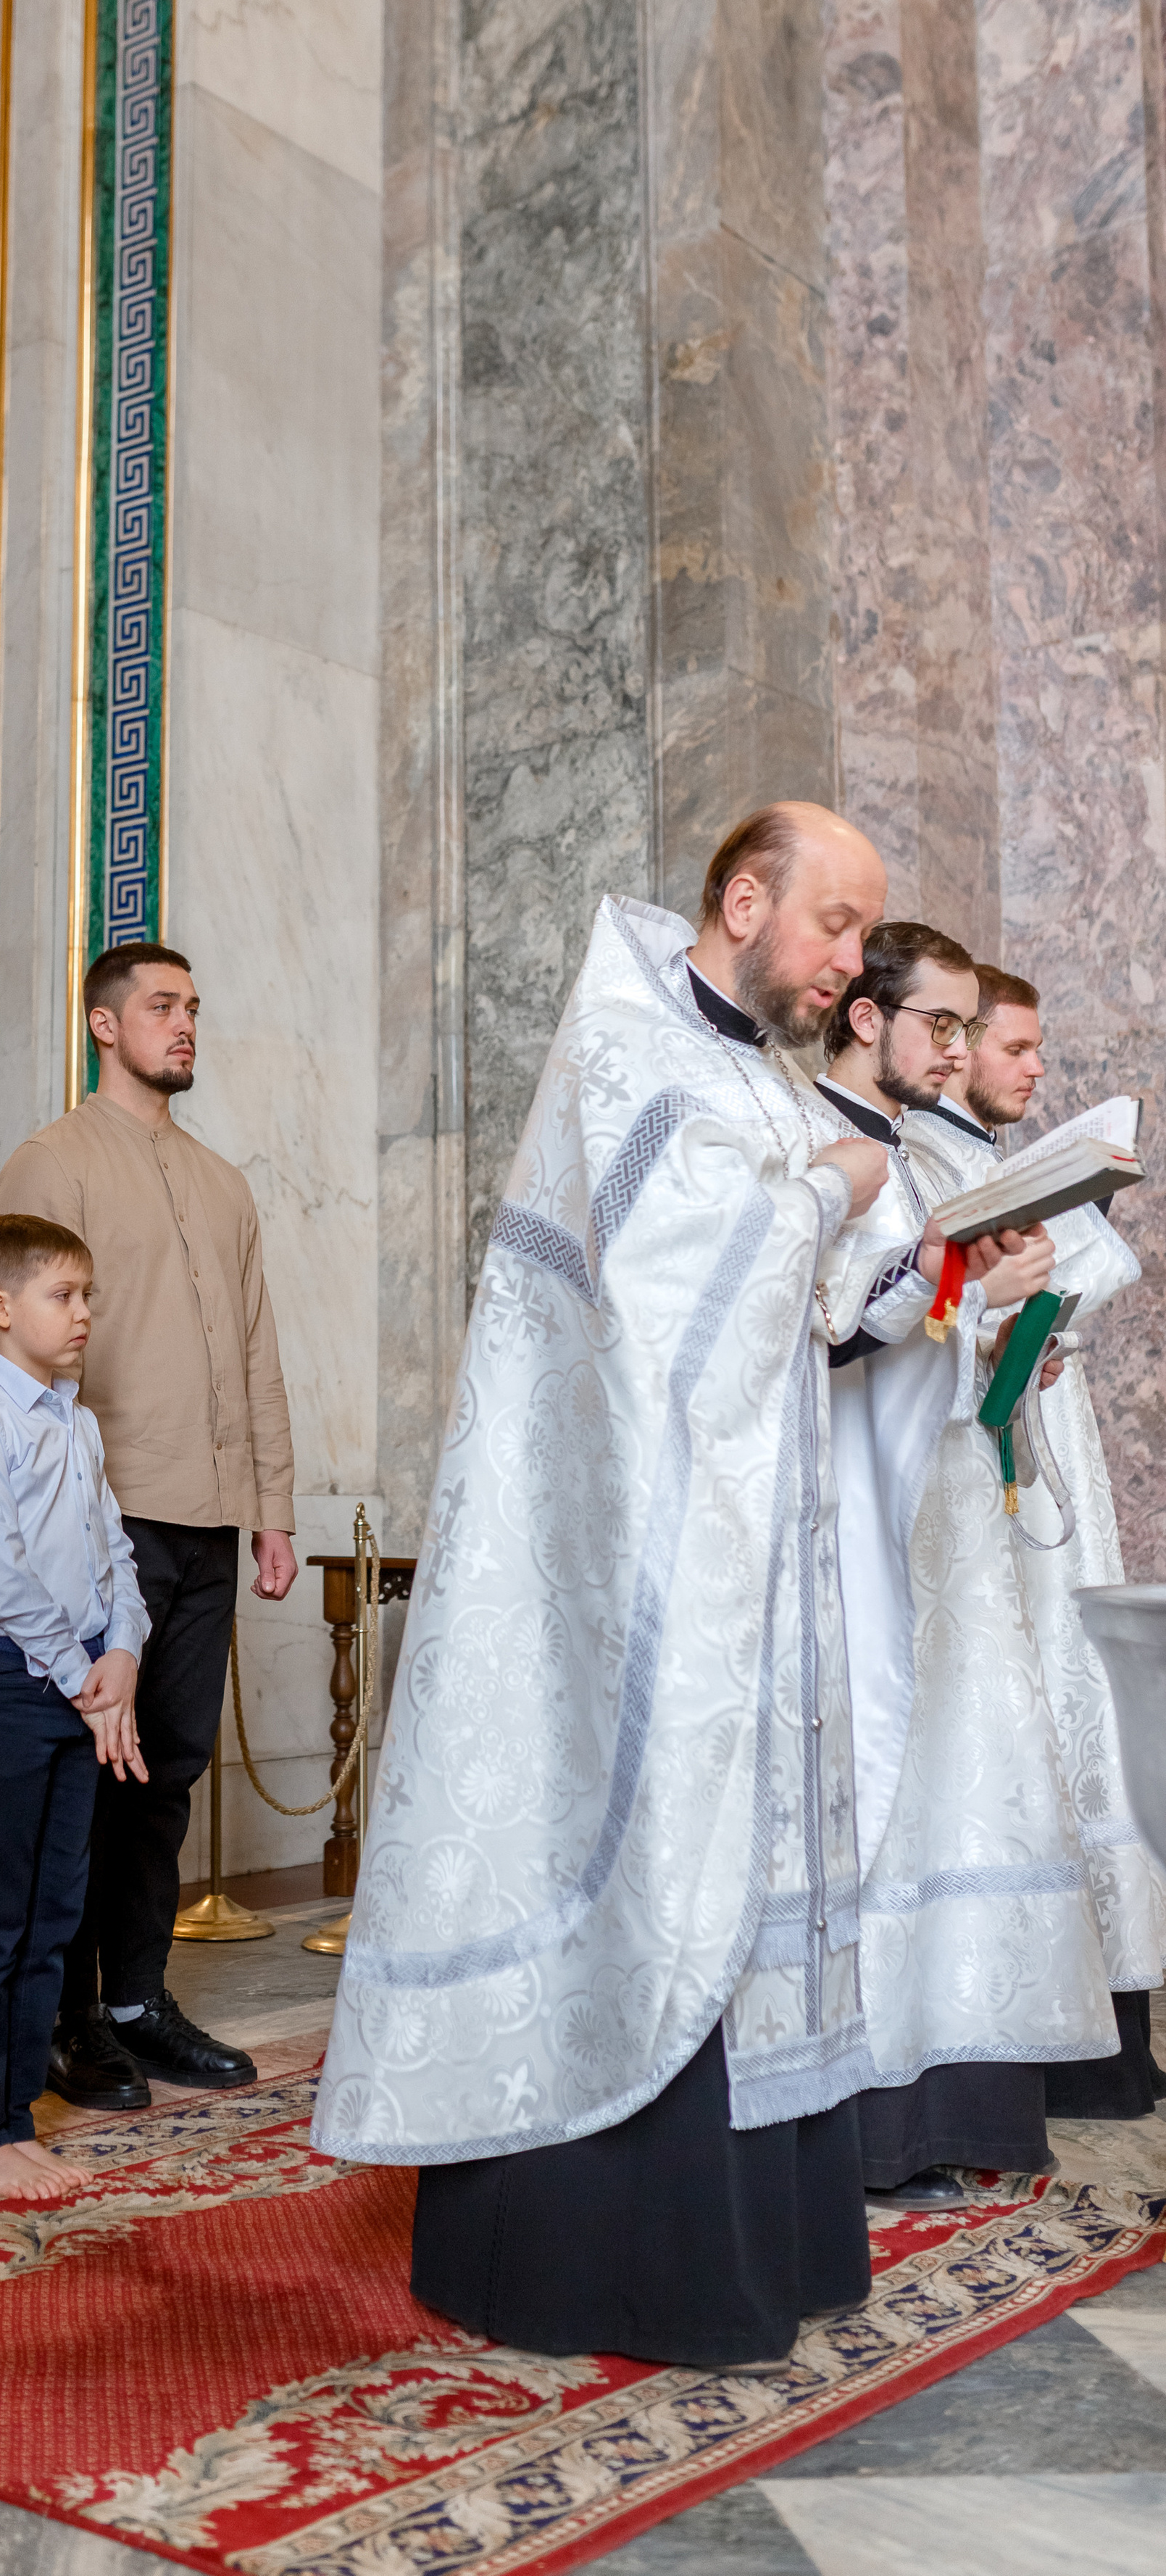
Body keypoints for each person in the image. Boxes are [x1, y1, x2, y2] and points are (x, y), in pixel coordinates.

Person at [314, 805, 1031, 2370]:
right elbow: (657, 1291)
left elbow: (799, 1321)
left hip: (752, 1569)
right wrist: (825, 1194)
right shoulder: (625, 1051)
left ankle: (765, 2240)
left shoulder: (753, 1073)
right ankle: (602, 2265)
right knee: (649, 1868)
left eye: (863, 936)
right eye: (835, 927)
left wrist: (916, 1264)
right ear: (743, 899)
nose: (851, 965)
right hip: (632, 1573)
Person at [817, 928, 1112, 2203]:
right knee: (880, 1791)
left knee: (957, 1777)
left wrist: (1007, 1329)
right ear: (865, 1016)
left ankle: (953, 2100)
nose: (957, 1047)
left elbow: (926, 1331)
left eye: (962, 1028)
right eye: (942, 1024)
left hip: (943, 1510)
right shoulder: (814, 1137)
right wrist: (965, 1297)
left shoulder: (920, 1149)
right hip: (854, 1509)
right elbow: (823, 1326)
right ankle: (873, 2117)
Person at [0, 943, 297, 2110]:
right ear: (104, 1025)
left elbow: (258, 1353)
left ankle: (135, 2000)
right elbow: (23, 1348)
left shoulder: (223, 1184)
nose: (185, 1025)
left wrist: (271, 1510)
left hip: (209, 1515)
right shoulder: (53, 1161)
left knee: (167, 1769)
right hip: (102, 1517)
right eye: (162, 1006)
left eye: (193, 1008)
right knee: (88, 1771)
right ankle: (65, 2016)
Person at [932, 965, 1163, 2122]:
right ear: (958, 1044)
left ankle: (1109, 2035)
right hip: (988, 1472)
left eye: (1036, 1047)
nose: (1034, 1067)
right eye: (1013, 1047)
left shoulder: (994, 1163)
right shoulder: (932, 1161)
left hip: (1049, 1441)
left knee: (1083, 1713)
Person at [0, 1214, 149, 2197]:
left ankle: (14, 2118)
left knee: (53, 1916)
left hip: (79, 1682)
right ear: (0, 1308)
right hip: (4, 1687)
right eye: (64, 1295)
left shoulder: (77, 1420)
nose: (83, 1313)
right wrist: (83, 1683)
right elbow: (3, 1577)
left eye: (87, 1295)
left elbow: (113, 1554)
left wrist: (124, 1654)